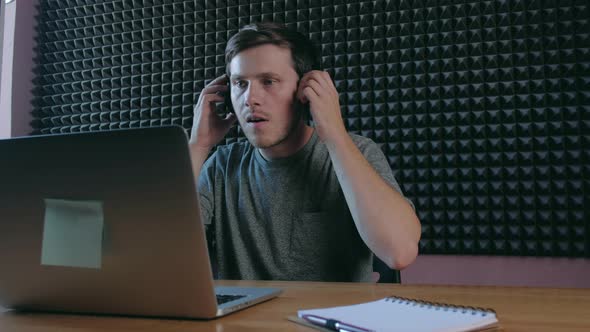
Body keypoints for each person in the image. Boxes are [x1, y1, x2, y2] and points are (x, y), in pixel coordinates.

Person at [189, 22, 421, 282]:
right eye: (240, 83)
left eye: (268, 81)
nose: (250, 99)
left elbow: (399, 252)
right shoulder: (222, 165)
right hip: (248, 322)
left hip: (330, 321)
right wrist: (198, 146)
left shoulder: (357, 152)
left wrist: (335, 135)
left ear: (305, 90)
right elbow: (162, 250)